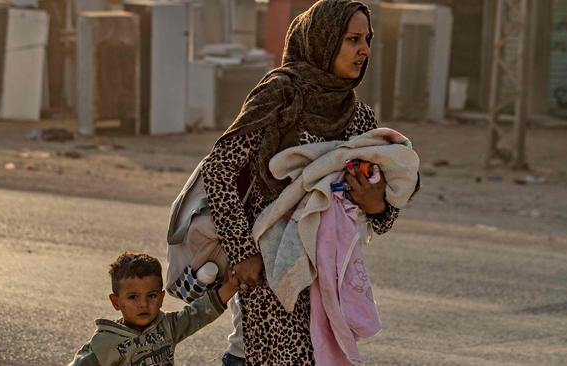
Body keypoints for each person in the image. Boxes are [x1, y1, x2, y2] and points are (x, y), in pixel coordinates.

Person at [202, 0, 399, 364]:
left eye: (367, 39)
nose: (364, 50)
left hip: (327, 275)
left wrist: (378, 205)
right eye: (353, 39)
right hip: (269, 263)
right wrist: (242, 251)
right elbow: (218, 171)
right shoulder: (280, 95)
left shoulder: (358, 116)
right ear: (323, 41)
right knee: (258, 354)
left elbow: (382, 211)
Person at [67, 251, 239, 366]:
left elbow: (199, 313)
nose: (143, 304)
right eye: (133, 297)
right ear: (116, 301)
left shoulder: (167, 326)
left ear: (161, 298)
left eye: (151, 296)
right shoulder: (104, 343)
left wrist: (231, 287)